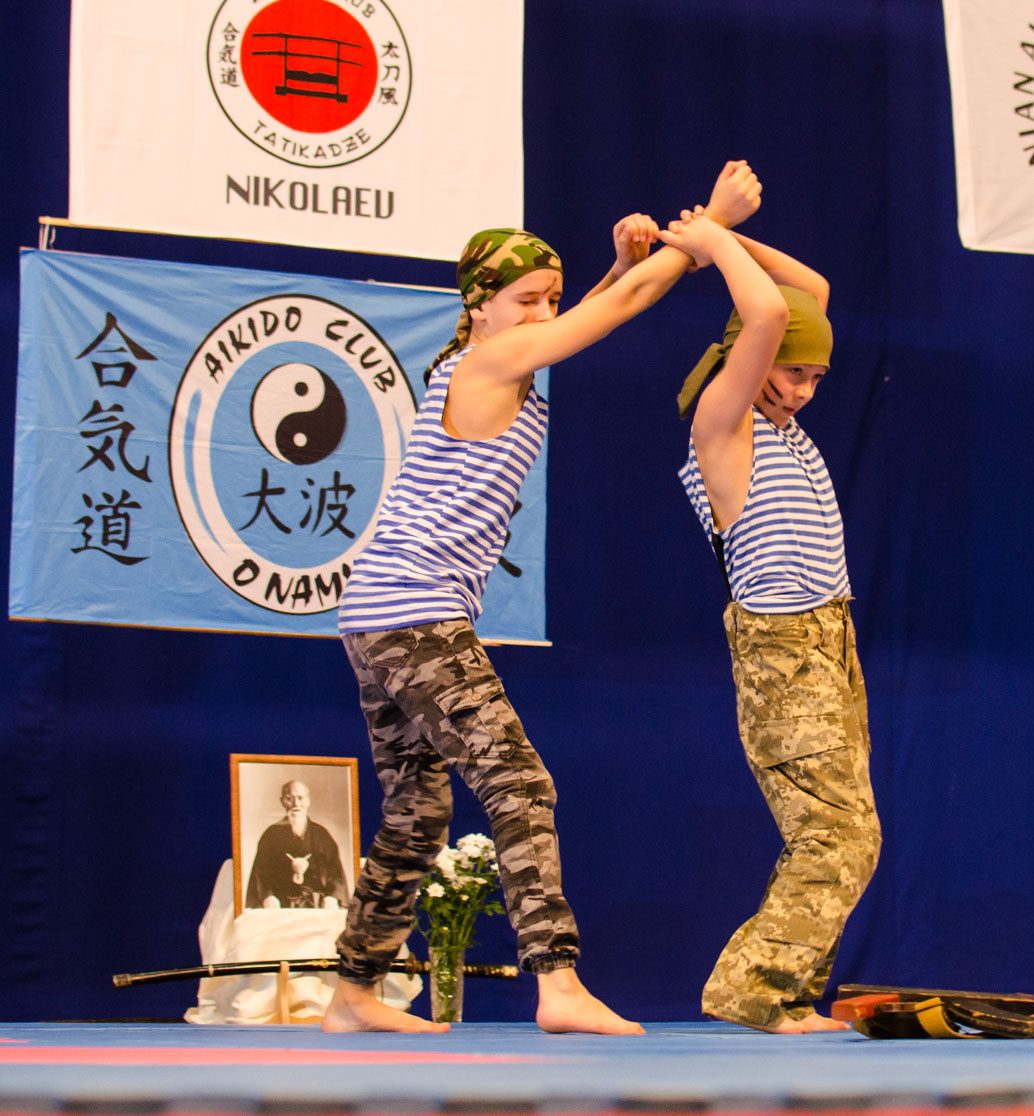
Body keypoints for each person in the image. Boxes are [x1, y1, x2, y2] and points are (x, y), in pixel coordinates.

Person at [322, 162, 764, 1035]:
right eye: (526, 299)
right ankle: (557, 984)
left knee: (418, 809)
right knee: (520, 783)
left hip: (379, 610)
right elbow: (619, 309)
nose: (541, 313)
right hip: (410, 610)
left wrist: (619, 265)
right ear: (479, 304)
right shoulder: (490, 357)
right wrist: (708, 228)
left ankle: (352, 992)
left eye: (550, 299)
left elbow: (596, 309)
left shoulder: (500, 352)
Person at [670, 209, 881, 1033]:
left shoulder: (782, 426)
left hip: (831, 639)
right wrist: (715, 235)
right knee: (836, 835)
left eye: (815, 378)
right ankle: (751, 988)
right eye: (789, 372)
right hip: (782, 649)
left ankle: (788, 990)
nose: (798, 391)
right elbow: (764, 312)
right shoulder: (723, 427)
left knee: (848, 833)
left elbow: (808, 291)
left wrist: (714, 230)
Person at [246, 779, 351, 910]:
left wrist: (333, 897)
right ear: (282, 801)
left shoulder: (321, 835)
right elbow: (261, 872)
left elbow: (335, 872)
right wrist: (268, 896)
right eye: (289, 799)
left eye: (301, 798)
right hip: (280, 905)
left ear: (308, 801)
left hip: (317, 905)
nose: (296, 804)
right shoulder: (271, 835)